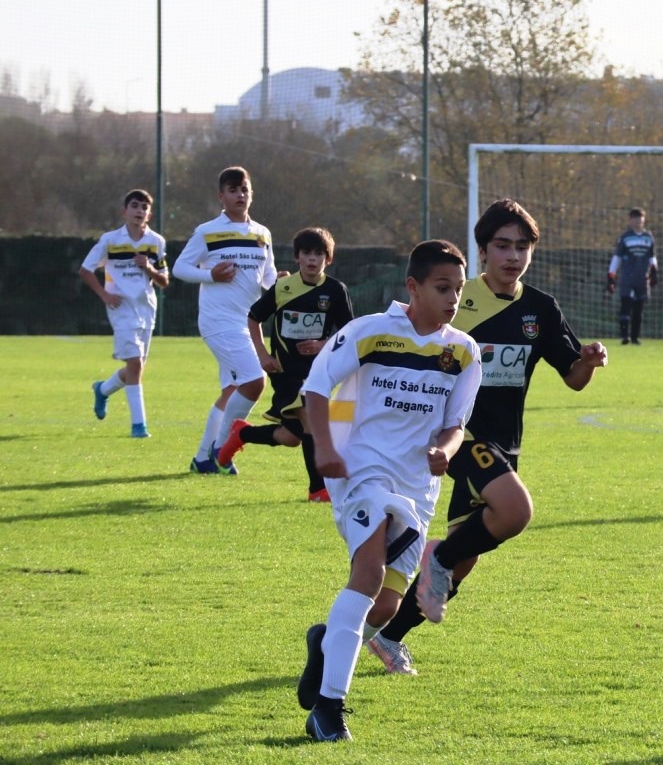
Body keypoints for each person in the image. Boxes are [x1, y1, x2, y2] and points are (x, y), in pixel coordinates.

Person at [366, 198, 608, 676]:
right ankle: (437, 555)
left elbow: (573, 377)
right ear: (482, 251)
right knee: (515, 511)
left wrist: (589, 359)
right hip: (455, 436)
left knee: (465, 560)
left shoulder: (541, 308)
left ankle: (389, 637)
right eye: (502, 246)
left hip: (504, 445)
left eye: (522, 247)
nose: (512, 256)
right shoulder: (457, 299)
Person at [296, 240, 482, 742]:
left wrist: (445, 448)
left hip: (417, 488)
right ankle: (328, 710)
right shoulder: (370, 332)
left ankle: (325, 643)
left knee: (384, 608)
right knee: (369, 569)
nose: (451, 299)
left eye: (459, 291)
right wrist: (324, 451)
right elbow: (316, 387)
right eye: (442, 288)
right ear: (413, 286)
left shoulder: (462, 352)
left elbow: (456, 423)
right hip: (361, 474)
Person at [216, 227, 354, 501]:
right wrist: (263, 355)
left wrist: (321, 345)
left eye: (318, 254)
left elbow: (348, 333)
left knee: (291, 437)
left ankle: (242, 434)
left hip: (318, 371)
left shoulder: (336, 290)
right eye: (307, 254)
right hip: (286, 371)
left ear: (329, 259)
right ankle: (317, 489)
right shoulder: (283, 288)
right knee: (309, 418)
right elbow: (253, 317)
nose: (312, 259)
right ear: (297, 257)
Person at [173, 166, 279, 474]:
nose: (240, 195)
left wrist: (280, 284)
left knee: (231, 392)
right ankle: (222, 449)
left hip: (246, 323)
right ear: (221, 196)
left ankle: (203, 459)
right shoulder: (207, 231)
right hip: (218, 322)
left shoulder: (262, 233)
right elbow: (180, 268)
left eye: (244, 189)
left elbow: (268, 277)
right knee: (254, 381)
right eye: (233, 190)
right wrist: (210, 275)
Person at [79, 189, 169, 438]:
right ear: (124, 211)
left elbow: (164, 281)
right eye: (135, 206)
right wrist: (105, 295)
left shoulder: (156, 242)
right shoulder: (110, 240)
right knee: (135, 363)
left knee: (136, 368)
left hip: (146, 309)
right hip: (121, 309)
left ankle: (103, 389)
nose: (139, 211)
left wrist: (149, 268)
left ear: (149, 214)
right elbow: (85, 270)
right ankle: (139, 425)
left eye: (144, 207)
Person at [607, 207, 658, 345]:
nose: (637, 221)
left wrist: (654, 271)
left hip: (642, 278)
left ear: (644, 219)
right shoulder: (625, 237)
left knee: (638, 309)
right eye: (634, 218)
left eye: (640, 218)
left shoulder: (648, 237)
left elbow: (652, 256)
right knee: (625, 307)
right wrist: (611, 275)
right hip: (627, 279)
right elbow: (617, 257)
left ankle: (635, 337)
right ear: (630, 220)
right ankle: (624, 336)